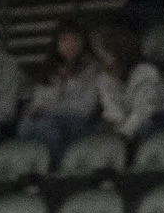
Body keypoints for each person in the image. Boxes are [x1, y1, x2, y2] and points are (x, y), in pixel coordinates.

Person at [13, 23, 100, 163]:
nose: (69, 44)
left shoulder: (92, 69)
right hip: (49, 118)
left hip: (80, 122)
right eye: (64, 40)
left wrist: (50, 109)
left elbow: (86, 108)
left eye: (75, 40)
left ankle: (60, 165)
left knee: (45, 127)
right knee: (26, 124)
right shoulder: (50, 69)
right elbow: (38, 99)